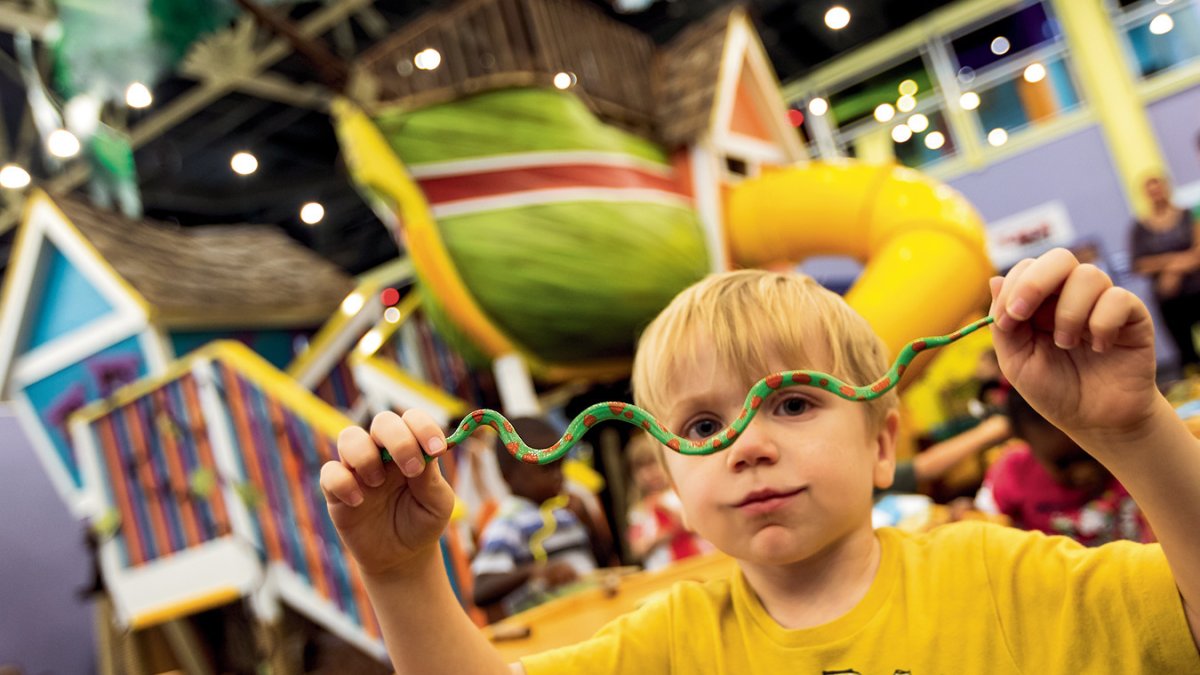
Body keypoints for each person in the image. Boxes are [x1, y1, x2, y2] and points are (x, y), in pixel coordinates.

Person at [320, 249, 1200, 672]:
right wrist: (401, 577)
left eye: (794, 401)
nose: (748, 443)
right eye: (702, 425)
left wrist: (1135, 433)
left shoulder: (999, 578)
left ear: (884, 439)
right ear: (668, 470)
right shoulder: (669, 643)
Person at [975, 390, 1153, 545]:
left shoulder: (1134, 449)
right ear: (1026, 443)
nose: (1083, 471)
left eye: (1090, 454)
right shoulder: (1013, 472)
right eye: (1063, 463)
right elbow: (987, 524)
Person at [468, 417, 598, 618]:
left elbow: (601, 558)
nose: (558, 476)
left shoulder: (564, 512)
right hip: (551, 631)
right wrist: (535, 572)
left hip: (589, 614)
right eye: (546, 468)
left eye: (560, 465)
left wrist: (586, 518)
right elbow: (481, 589)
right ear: (508, 475)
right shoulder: (509, 522)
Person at [1130, 174, 1200, 370]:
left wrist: (1173, 272)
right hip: (1169, 299)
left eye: (1159, 188)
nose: (1156, 194)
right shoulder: (1139, 228)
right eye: (1151, 191)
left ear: (1167, 188)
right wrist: (1174, 262)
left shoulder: (1188, 215)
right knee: (1185, 350)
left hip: (1196, 288)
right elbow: (1139, 264)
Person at [624, 432, 714, 570]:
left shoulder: (681, 493)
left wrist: (662, 508)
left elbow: (694, 522)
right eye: (641, 467)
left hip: (699, 562)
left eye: (654, 463)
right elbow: (637, 548)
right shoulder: (638, 509)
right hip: (663, 570)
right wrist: (654, 540)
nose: (649, 473)